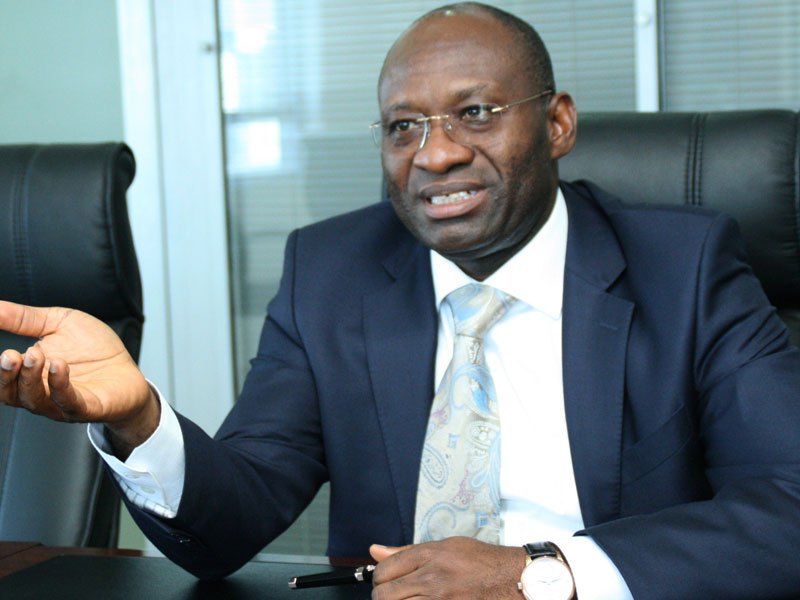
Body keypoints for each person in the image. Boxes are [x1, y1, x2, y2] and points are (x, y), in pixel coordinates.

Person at [1, 3, 799, 598]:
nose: (436, 154)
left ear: (557, 124)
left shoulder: (684, 268)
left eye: (475, 114)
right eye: (403, 127)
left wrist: (540, 576)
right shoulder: (330, 273)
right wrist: (139, 418)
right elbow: (229, 524)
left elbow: (787, 506)